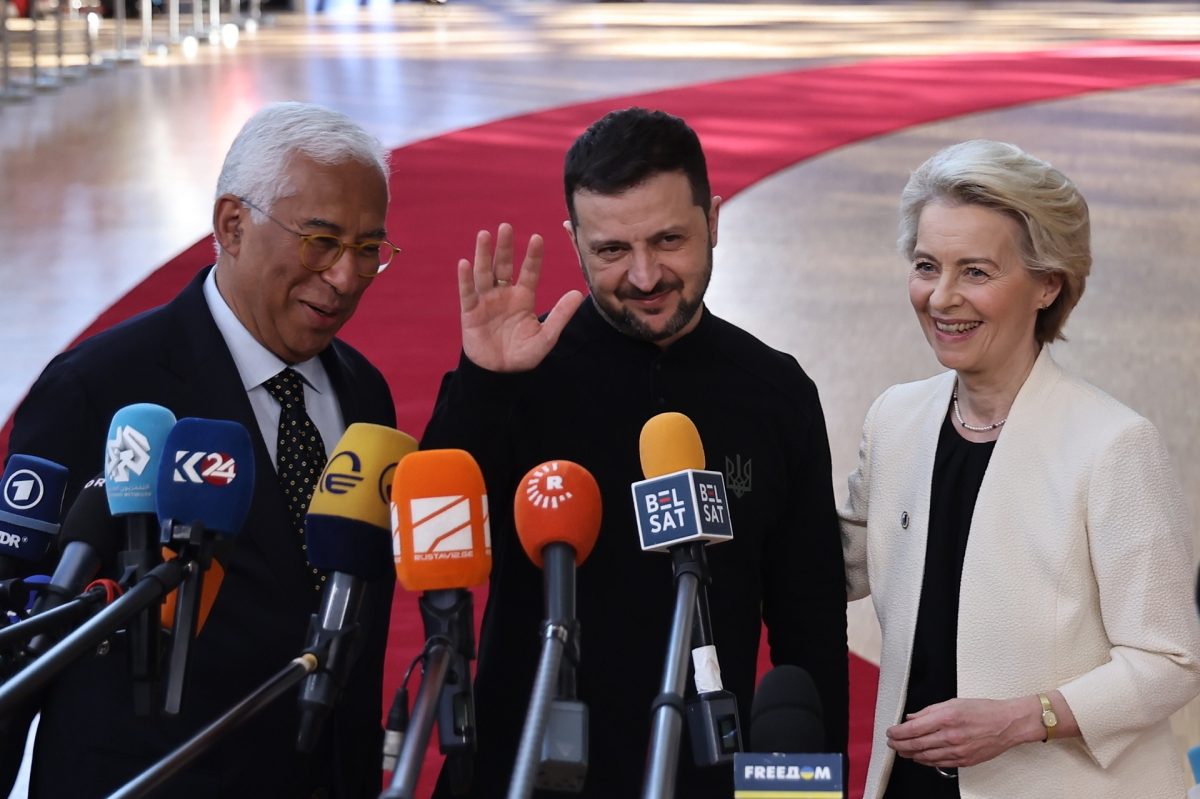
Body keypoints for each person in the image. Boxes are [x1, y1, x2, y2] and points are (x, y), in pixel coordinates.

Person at [422, 107, 848, 798]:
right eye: (612, 250)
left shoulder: (777, 393)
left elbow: (811, 631)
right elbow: (439, 537)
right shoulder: (519, 374)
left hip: (702, 777)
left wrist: (802, 792)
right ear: (575, 241)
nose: (645, 276)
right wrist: (484, 384)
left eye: (669, 240)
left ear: (714, 220)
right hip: (524, 766)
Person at [3, 101, 398, 798]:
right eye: (320, 241)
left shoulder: (365, 394)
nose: (346, 276)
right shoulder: (99, 389)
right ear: (232, 225)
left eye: (369, 249)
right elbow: (18, 634)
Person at [841, 139, 1200, 798]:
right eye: (926, 265)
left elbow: (1171, 660)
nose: (941, 297)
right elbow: (837, 563)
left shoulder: (1115, 444)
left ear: (1047, 283)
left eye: (975, 272)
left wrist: (1024, 718)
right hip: (911, 782)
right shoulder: (894, 419)